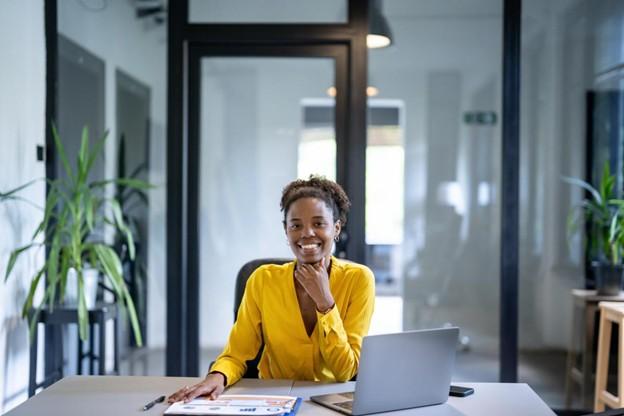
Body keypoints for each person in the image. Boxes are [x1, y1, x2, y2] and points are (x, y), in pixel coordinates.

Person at [168, 175, 375, 403]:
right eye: (296, 225)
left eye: (318, 223)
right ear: (286, 231)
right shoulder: (262, 280)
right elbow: (237, 354)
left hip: (329, 401)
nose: (307, 233)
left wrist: (325, 302)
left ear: (336, 228)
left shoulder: (358, 280)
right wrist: (216, 377)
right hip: (272, 399)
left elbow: (346, 371)